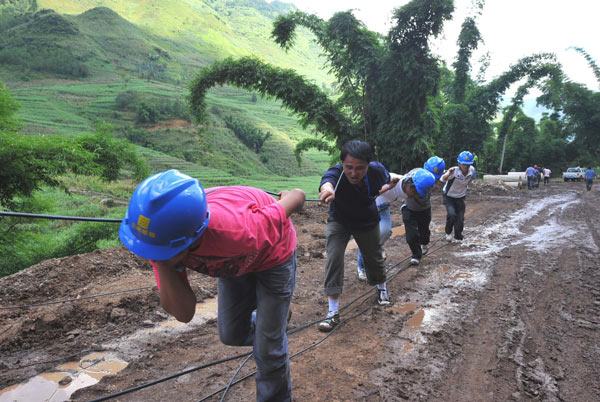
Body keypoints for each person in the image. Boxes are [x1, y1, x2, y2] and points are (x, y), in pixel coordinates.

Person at [119, 169, 306, 402]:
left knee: (269, 351)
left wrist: (286, 199)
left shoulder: (239, 229)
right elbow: (183, 313)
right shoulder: (160, 240)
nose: (155, 257)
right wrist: (163, 261)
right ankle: (274, 324)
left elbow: (298, 195)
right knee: (231, 334)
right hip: (234, 264)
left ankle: (272, 338)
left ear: (195, 236)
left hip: (273, 257)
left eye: (163, 253)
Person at [317, 140, 400, 332]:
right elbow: (327, 181)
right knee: (334, 257)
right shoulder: (336, 174)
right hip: (340, 220)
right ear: (343, 164)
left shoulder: (377, 172)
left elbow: (385, 181)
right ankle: (333, 312)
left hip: (366, 220)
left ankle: (381, 289)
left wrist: (391, 182)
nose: (353, 173)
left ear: (368, 165)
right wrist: (327, 190)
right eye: (349, 167)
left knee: (373, 256)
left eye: (359, 168)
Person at [355, 167, 437, 274]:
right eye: (416, 192)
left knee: (385, 232)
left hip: (383, 207)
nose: (416, 196)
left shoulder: (409, 187)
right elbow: (367, 192)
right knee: (369, 239)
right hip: (368, 208)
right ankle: (362, 267)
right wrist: (388, 187)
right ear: (409, 182)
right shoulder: (391, 179)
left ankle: (376, 248)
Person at [441, 151, 475, 242]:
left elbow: (471, 179)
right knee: (452, 215)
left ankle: (458, 236)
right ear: (459, 163)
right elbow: (442, 179)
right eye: (463, 164)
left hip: (461, 197)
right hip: (449, 196)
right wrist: (449, 174)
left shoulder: (472, 170)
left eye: (468, 165)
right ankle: (448, 232)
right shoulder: (454, 171)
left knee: (460, 218)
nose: (466, 167)